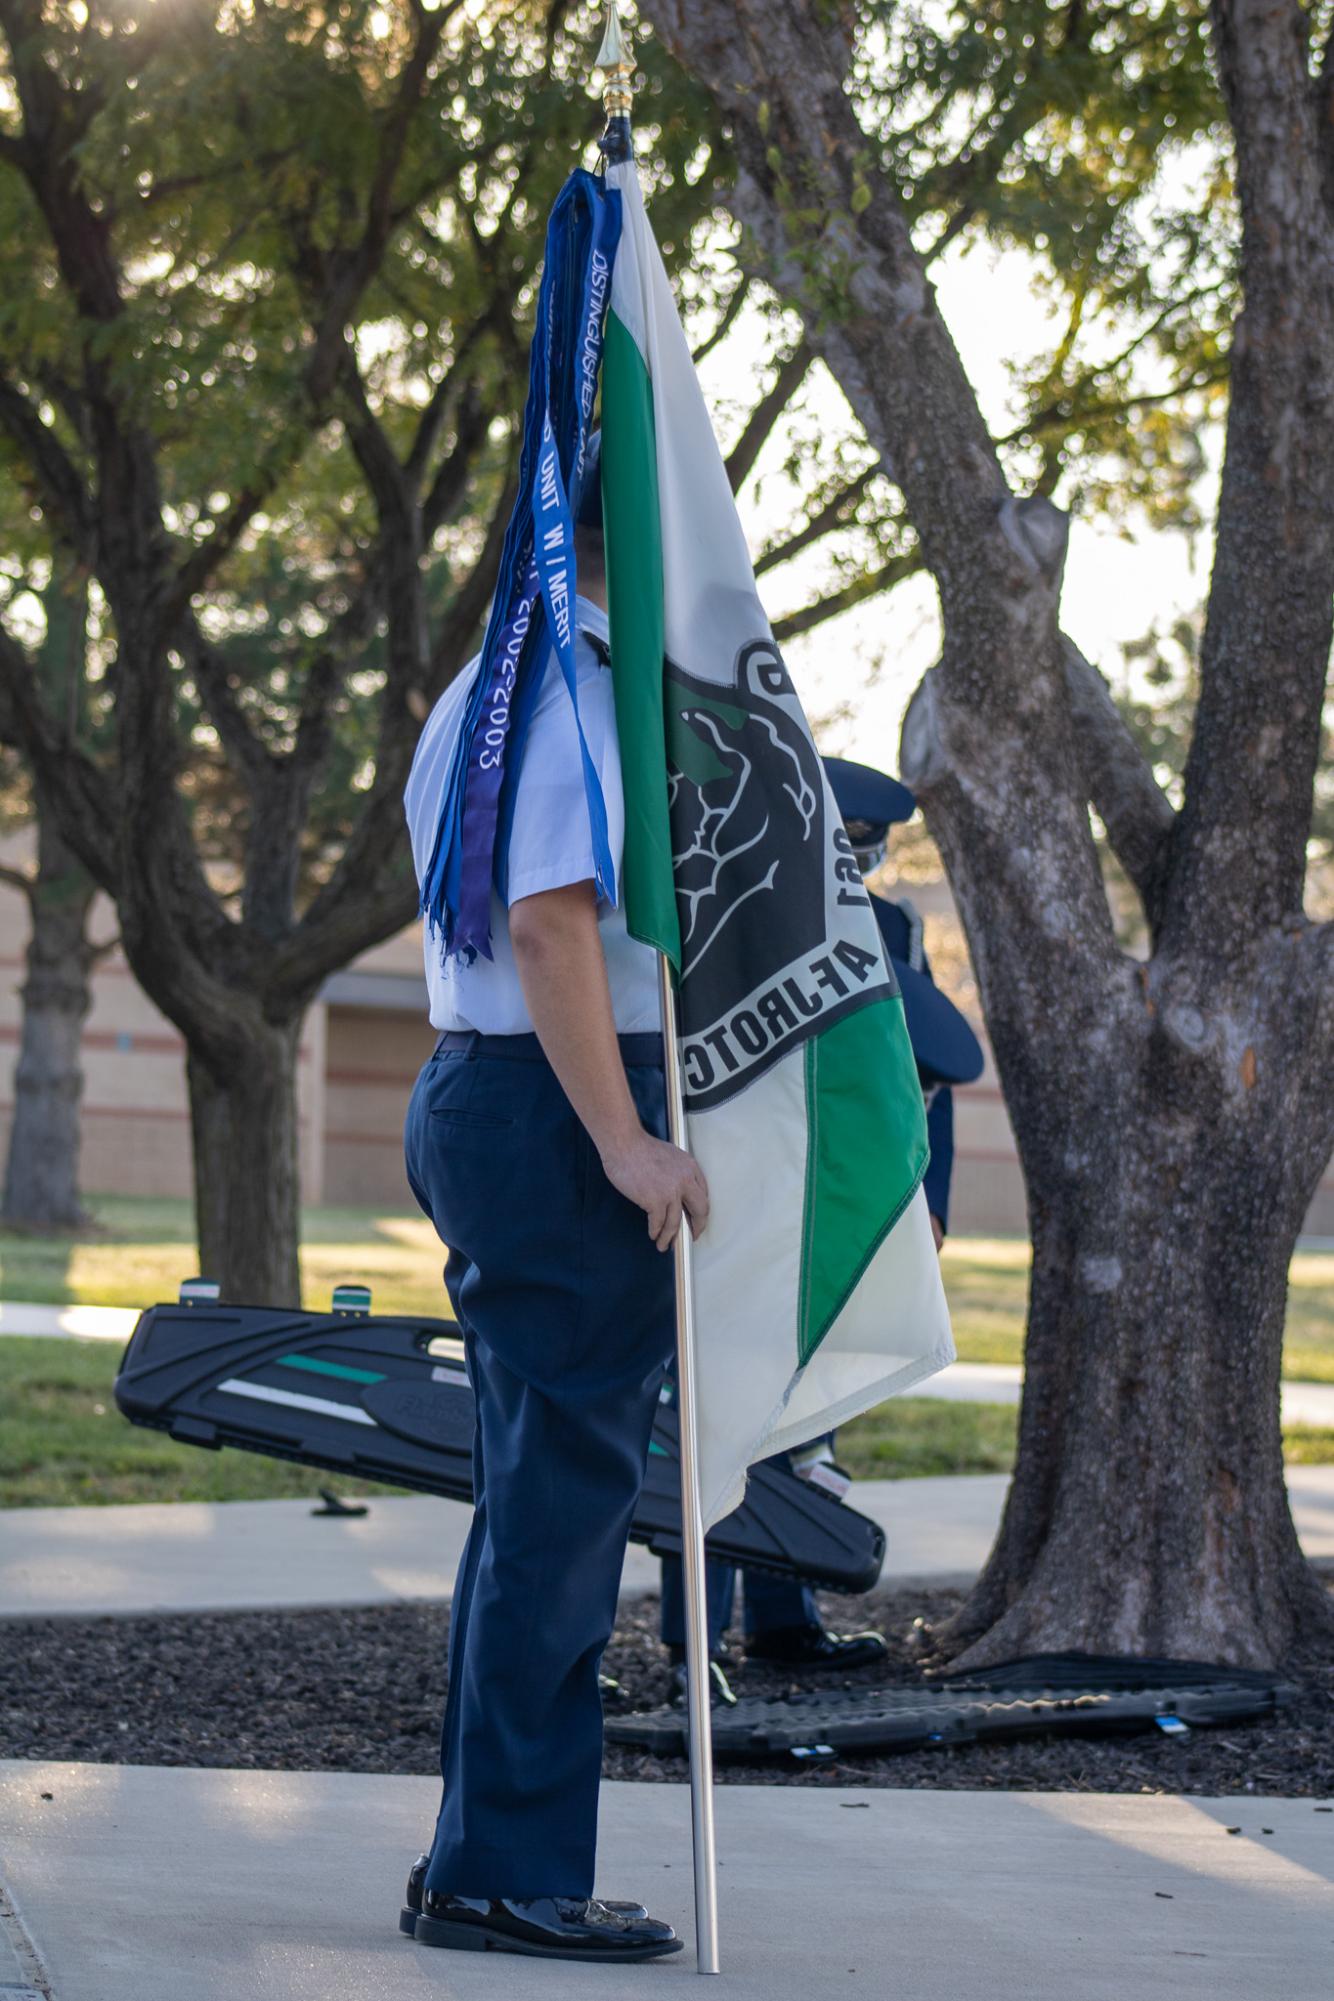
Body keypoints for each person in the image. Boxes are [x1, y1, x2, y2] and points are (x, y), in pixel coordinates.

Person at [399, 445, 707, 1966]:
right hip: (553, 1108)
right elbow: (546, 921)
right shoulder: (571, 683)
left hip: (490, 1094)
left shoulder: (488, 676)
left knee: (532, 1505)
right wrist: (628, 1143)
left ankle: (476, 1860)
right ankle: (509, 1872)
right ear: (625, 541)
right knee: (563, 1513)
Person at [659, 754, 981, 1684]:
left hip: (845, 1197)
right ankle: (695, 1644)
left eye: (870, 850)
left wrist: (930, 1201)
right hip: (748, 1194)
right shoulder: (733, 900)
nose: (861, 863)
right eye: (849, 844)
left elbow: (923, 1081)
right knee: (720, 1417)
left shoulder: (893, 928)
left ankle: (784, 1622)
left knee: (808, 1418)